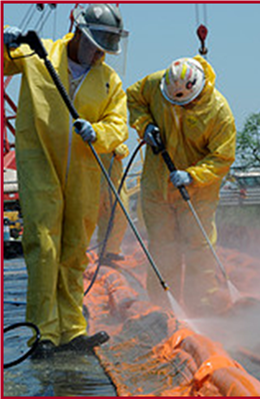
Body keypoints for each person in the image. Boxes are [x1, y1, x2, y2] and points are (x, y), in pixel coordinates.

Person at [4, 3, 129, 358]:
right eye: (97, 43)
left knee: (75, 251)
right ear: (78, 31)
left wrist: (99, 132)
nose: (101, 52)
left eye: (108, 44)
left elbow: (118, 125)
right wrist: (4, 42)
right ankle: (43, 333)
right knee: (45, 247)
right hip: (40, 162)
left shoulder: (109, 80)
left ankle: (72, 330)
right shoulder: (34, 54)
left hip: (84, 174)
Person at [127, 56, 236, 317]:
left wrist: (193, 176)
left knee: (198, 247)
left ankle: (203, 307)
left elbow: (222, 158)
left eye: (187, 101)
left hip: (198, 193)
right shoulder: (156, 84)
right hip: (157, 187)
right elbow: (133, 98)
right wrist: (145, 126)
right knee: (162, 247)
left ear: (196, 90)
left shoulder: (219, 111)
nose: (182, 105)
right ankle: (163, 308)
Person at [97, 143, 129, 263]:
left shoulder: (110, 133)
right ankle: (107, 251)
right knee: (109, 218)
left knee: (111, 218)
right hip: (106, 182)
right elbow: (121, 151)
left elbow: (122, 152)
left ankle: (108, 251)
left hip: (108, 181)